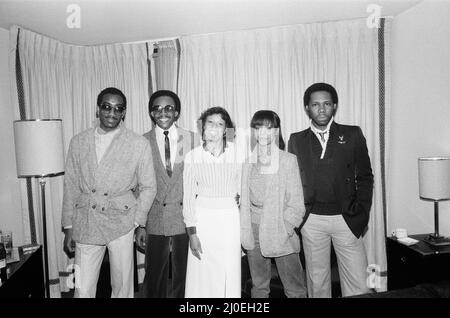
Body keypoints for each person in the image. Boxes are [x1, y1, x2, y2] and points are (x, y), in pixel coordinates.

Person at [62, 87, 157, 298]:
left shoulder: (138, 143)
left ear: (124, 112)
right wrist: (69, 226)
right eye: (106, 107)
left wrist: (137, 221)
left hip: (122, 221)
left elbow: (149, 186)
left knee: (123, 287)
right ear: (98, 109)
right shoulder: (78, 141)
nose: (112, 113)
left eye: (118, 108)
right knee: (82, 287)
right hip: (87, 219)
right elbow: (70, 185)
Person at [288, 82, 374, 298]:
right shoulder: (296, 140)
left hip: (347, 218)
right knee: (318, 284)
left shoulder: (352, 134)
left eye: (326, 103)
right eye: (315, 104)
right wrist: (299, 218)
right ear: (307, 108)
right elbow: (292, 183)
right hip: (312, 221)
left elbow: (365, 177)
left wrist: (361, 213)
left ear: (334, 106)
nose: (322, 109)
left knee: (359, 285)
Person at [136, 90, 199, 298]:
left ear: (177, 112)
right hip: (154, 217)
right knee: (154, 278)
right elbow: (138, 187)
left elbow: (203, 178)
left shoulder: (191, 139)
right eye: (157, 108)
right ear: (151, 113)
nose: (163, 113)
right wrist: (141, 225)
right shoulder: (141, 142)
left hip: (185, 217)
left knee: (185, 276)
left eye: (169, 108)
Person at [240, 110, 307, 298]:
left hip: (280, 231)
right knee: (259, 287)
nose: (263, 133)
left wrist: (285, 228)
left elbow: (297, 204)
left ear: (276, 131)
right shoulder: (247, 163)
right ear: (253, 131)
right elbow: (244, 203)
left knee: (295, 289)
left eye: (269, 128)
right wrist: (245, 231)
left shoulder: (287, 160)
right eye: (258, 127)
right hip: (253, 232)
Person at [182, 107, 243, 298]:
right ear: (203, 126)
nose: (215, 127)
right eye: (210, 122)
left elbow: (243, 191)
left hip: (231, 220)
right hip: (203, 221)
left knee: (229, 272)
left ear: (226, 129)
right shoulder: (192, 156)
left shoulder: (238, 153)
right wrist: (192, 233)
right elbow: (188, 197)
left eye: (220, 123)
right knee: (202, 272)